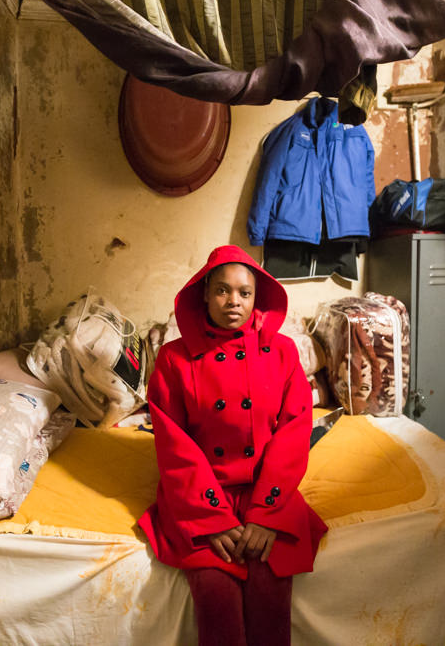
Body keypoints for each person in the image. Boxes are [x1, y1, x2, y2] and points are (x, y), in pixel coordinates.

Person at [137, 244, 327, 646]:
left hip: (267, 493)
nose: (233, 301)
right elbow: (174, 444)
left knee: (270, 594)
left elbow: (295, 430)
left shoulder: (283, 352)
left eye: (244, 292)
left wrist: (264, 513)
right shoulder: (173, 359)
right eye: (222, 290)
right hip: (201, 496)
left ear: (258, 298)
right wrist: (213, 520)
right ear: (204, 293)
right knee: (216, 598)